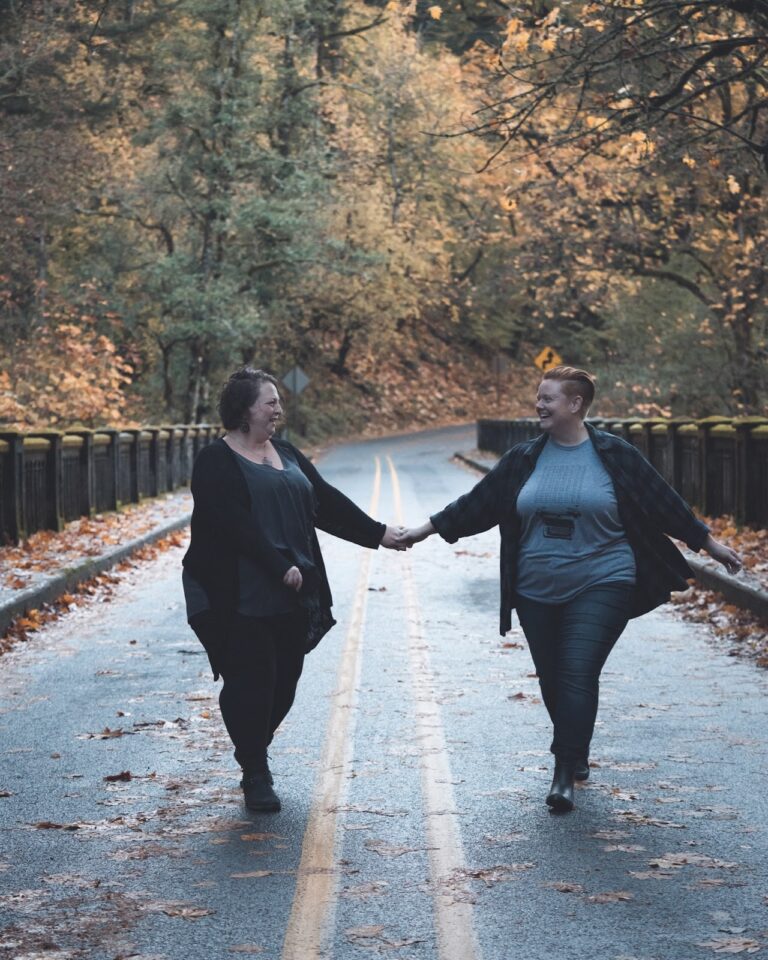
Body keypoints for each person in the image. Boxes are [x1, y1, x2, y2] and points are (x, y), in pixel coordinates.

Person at [399, 366, 742, 813]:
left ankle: (564, 773)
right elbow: (478, 504)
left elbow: (663, 502)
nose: (539, 405)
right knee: (554, 678)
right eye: (538, 397)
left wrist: (709, 544)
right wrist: (424, 529)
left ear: (576, 405)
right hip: (536, 587)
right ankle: (575, 746)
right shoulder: (524, 458)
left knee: (578, 670)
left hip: (604, 578)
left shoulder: (614, 455)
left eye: (549, 399)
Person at [182, 367, 405, 813]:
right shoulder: (216, 460)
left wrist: (379, 533)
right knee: (251, 680)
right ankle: (256, 772)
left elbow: (325, 502)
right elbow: (233, 525)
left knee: (285, 683)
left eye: (278, 401)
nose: (278, 409)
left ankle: (251, 745)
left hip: (293, 591)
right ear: (245, 410)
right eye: (270, 402)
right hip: (240, 592)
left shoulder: (286, 452)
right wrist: (277, 563)